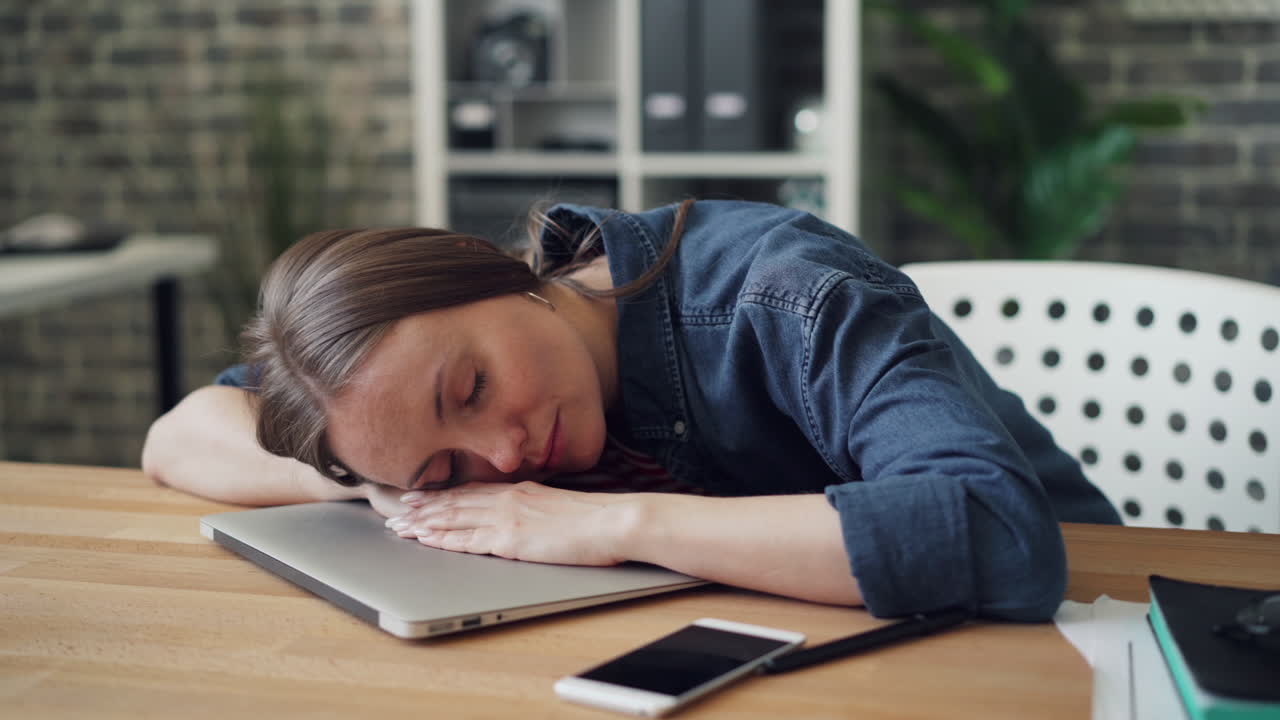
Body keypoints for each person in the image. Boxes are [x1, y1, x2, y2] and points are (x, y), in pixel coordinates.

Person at [142, 198, 1121, 622]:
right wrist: (371, 478)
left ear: (489, 269)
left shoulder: (784, 291)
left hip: (1086, 634)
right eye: (450, 467)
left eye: (470, 390)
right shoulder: (387, 389)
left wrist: (605, 522)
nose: (504, 453)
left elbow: (997, 538)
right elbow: (178, 434)